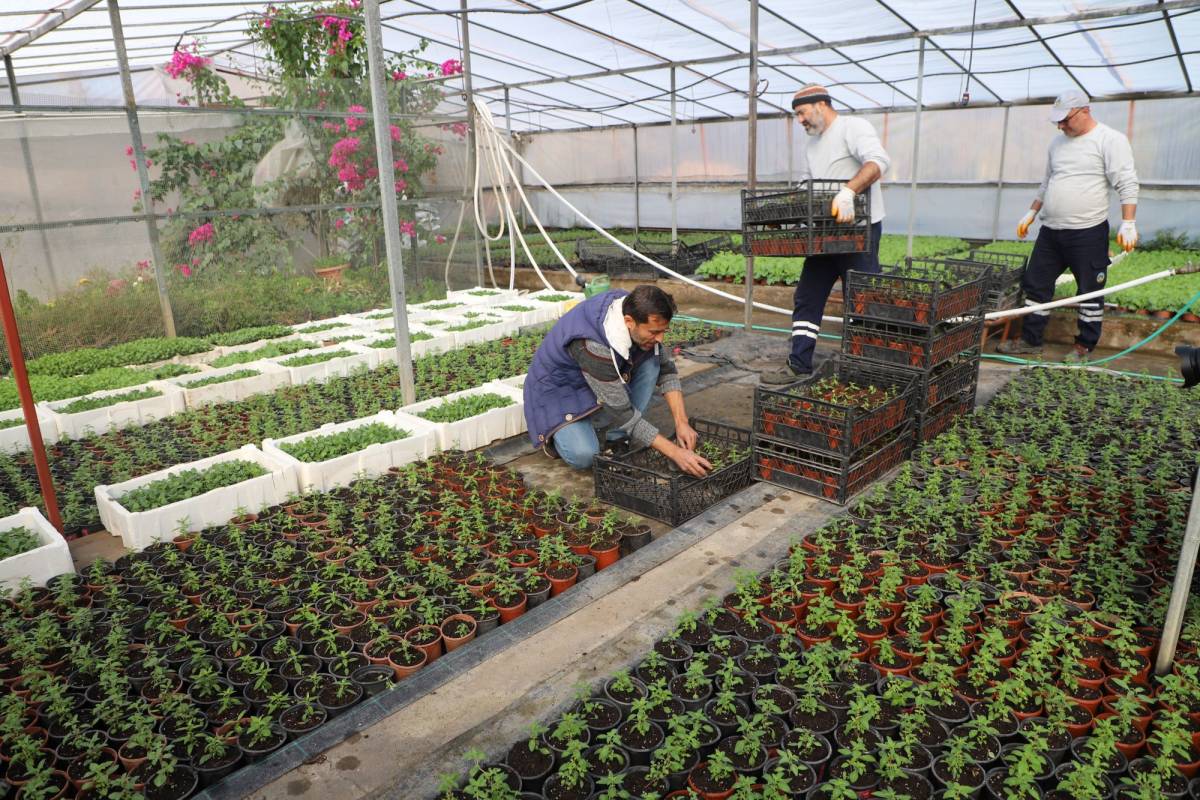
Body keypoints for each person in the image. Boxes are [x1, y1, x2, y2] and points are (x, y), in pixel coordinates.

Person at [998, 89, 1139, 363]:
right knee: (1036, 285)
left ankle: (1084, 347)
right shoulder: (1057, 144)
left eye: (1065, 119)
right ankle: (1030, 340)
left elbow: (1127, 182)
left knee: (1089, 290)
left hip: (1087, 231)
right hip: (1051, 231)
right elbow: (1047, 182)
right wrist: (1031, 211)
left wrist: (1129, 222)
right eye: (1057, 121)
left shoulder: (1109, 140)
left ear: (1085, 111)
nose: (1061, 125)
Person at [764, 83, 890, 384]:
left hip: (860, 232)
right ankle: (799, 363)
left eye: (802, 113)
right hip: (825, 236)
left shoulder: (852, 127)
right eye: (796, 115)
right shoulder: (813, 144)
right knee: (807, 295)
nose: (800, 120)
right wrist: (786, 211)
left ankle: (866, 368)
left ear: (821, 105)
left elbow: (879, 162)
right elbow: (810, 185)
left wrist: (848, 192)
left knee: (862, 301)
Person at [523, 285, 711, 477]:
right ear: (629, 322)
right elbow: (622, 412)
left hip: (598, 379)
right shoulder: (593, 346)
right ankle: (555, 437)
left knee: (652, 363)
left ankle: (616, 437)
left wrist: (682, 422)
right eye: (654, 332)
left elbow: (667, 371)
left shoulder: (634, 308)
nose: (660, 338)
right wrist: (675, 452)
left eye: (664, 331)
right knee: (584, 455)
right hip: (560, 392)